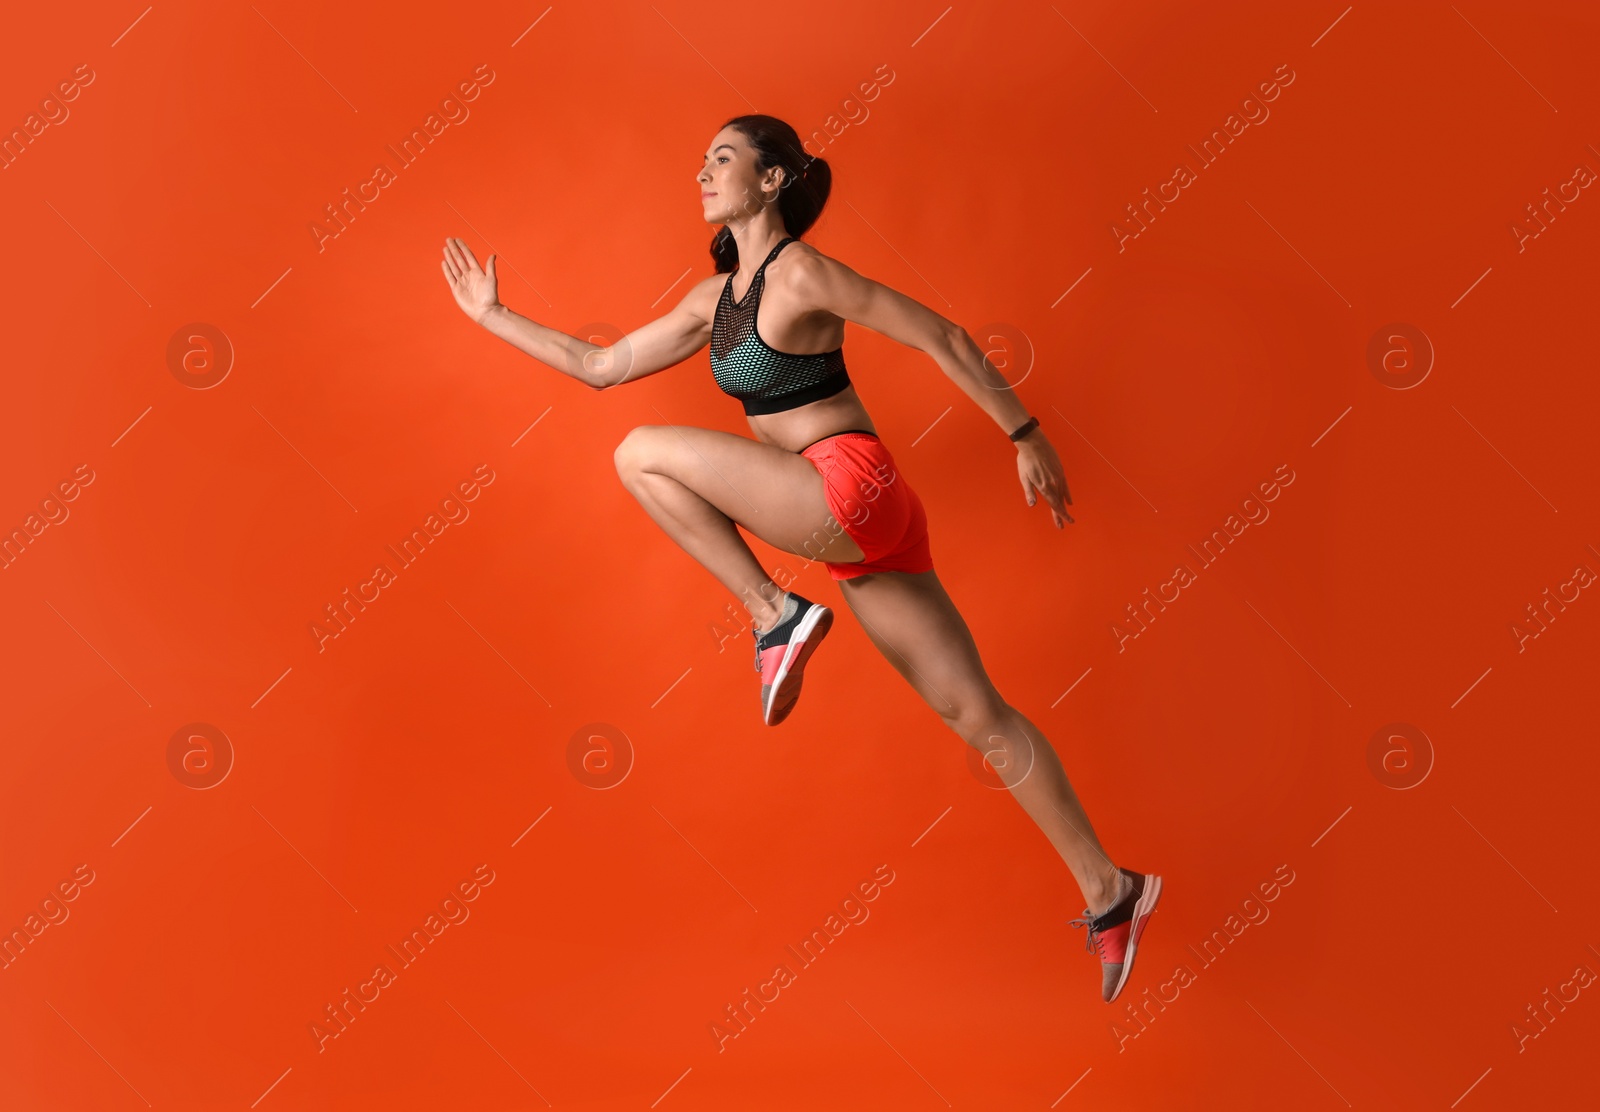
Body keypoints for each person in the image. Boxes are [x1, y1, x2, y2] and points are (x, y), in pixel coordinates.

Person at [439, 113, 1161, 1003]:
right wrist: (492, 316)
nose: (702, 170)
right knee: (979, 717)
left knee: (639, 454)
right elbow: (600, 364)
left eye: (724, 158)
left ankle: (773, 614)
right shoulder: (714, 302)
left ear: (774, 179)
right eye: (701, 157)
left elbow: (941, 336)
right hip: (863, 531)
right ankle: (1109, 889)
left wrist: (1023, 430)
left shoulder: (804, 273)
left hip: (846, 490)